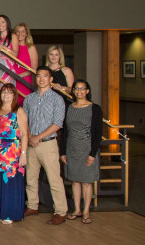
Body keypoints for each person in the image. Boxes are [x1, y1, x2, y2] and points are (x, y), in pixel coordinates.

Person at [23, 66, 68, 225]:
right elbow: (25, 121)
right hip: (31, 144)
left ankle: (61, 211)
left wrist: (38, 137)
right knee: (31, 177)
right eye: (38, 76)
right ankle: (32, 205)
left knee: (54, 179)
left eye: (45, 76)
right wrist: (29, 136)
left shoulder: (57, 99)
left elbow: (57, 123)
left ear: (51, 79)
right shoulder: (29, 99)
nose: (41, 79)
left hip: (48, 144)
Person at [60, 80, 102, 225]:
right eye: (76, 89)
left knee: (86, 182)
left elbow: (98, 133)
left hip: (87, 147)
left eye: (82, 89)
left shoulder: (94, 108)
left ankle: (86, 211)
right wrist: (63, 151)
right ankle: (77, 209)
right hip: (72, 147)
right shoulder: (69, 107)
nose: (79, 91)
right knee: (75, 180)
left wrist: (93, 153)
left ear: (87, 91)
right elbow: (65, 131)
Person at [0, 84, 28, 225]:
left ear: (14, 95)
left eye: (9, 93)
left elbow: (24, 134)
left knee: (10, 182)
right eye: (4, 92)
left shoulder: (18, 111)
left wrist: (23, 153)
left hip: (12, 151)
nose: (6, 95)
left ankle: (9, 213)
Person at [0, 15, 19, 96]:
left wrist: (4, 48)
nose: (0, 24)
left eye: (2, 22)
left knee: (6, 93)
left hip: (7, 68)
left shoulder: (13, 36)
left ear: (7, 24)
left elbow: (15, 54)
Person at [14, 22, 39, 103]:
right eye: (18, 31)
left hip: (25, 81)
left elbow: (34, 69)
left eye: (23, 31)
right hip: (12, 80)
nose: (20, 33)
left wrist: (21, 75)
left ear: (26, 33)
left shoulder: (30, 47)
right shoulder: (12, 47)